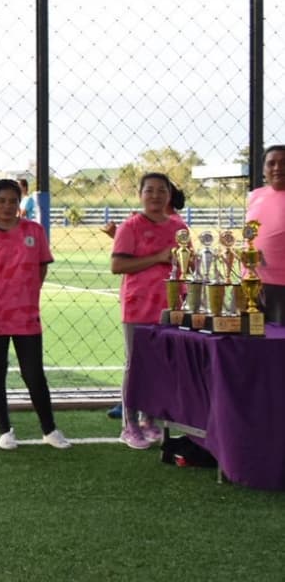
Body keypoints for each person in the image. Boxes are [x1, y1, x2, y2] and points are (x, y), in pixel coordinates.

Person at [0, 179, 70, 451]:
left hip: (26, 316)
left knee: (34, 374)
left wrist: (27, 294)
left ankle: (49, 429)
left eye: (12, 201)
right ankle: (5, 430)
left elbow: (41, 268)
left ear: (20, 203)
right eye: (1, 201)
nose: (7, 206)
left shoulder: (34, 231)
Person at [111, 172, 187, 449]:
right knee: (136, 365)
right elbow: (117, 265)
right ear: (141, 195)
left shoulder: (179, 227)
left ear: (169, 194)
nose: (155, 196)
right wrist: (157, 258)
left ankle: (149, 419)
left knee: (161, 366)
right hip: (138, 306)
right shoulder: (130, 226)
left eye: (161, 190)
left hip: (169, 307)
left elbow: (187, 263)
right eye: (150, 190)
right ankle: (129, 424)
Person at [245, 144, 285, 324]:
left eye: (283, 163)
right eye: (271, 163)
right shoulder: (255, 196)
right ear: (263, 169)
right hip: (252, 282)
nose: (277, 168)